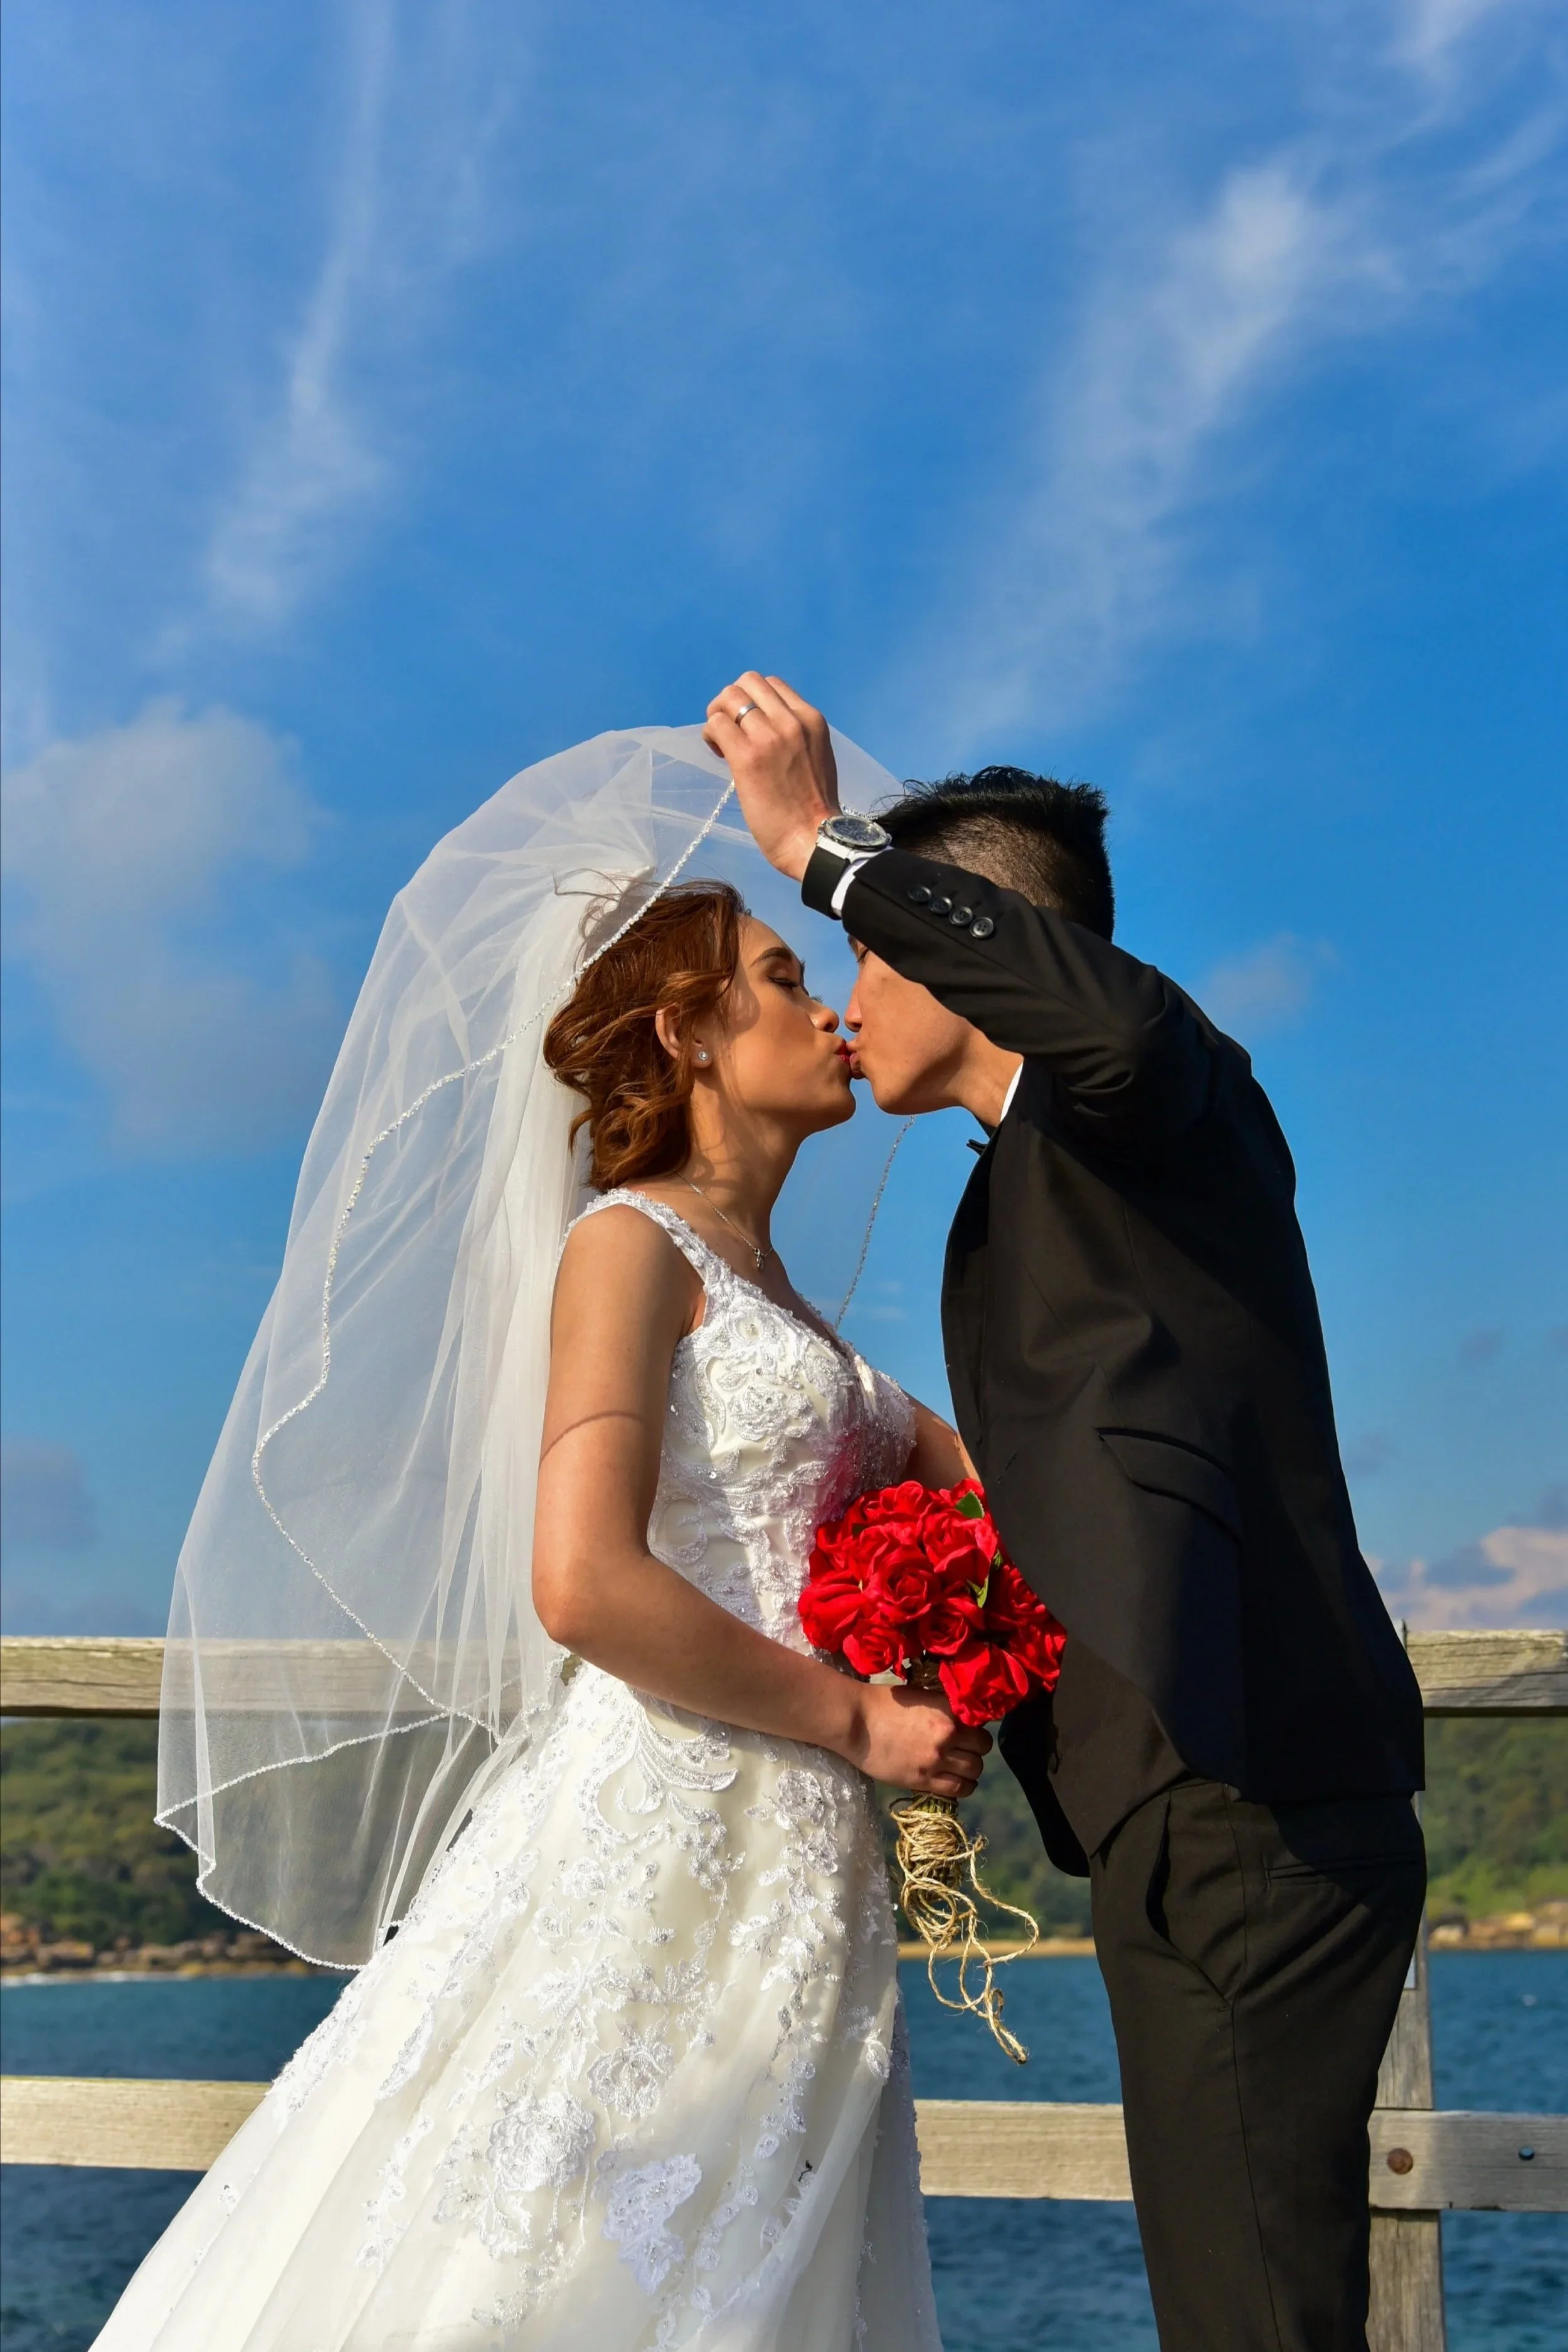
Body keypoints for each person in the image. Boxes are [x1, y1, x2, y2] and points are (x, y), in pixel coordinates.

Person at [97, 742, 965, 2349]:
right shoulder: (624, 1249)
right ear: (685, 1033)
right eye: (782, 976)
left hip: (801, 1863)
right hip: (668, 1823)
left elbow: (993, 1504)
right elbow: (584, 1581)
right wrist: (854, 1714)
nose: (831, 1006)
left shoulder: (797, 1317)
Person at [706, 672, 1429, 2352]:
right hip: (1172, 1810)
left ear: (980, 947)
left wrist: (825, 847)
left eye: (875, 954)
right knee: (1234, 2304)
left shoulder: (1156, 1090)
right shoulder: (1019, 1196)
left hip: (1249, 1789)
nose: (843, 1000)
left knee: (1252, 2314)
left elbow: (1095, 1016)